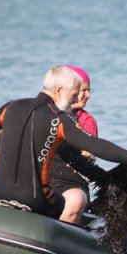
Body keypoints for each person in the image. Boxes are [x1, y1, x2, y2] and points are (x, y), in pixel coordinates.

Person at [0, 65, 127, 221]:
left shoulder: (12, 106)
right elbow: (94, 145)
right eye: (74, 94)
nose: (76, 100)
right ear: (59, 90)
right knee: (67, 203)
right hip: (34, 201)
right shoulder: (59, 119)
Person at [50, 65, 98, 223]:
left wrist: (88, 154)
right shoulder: (45, 113)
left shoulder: (87, 121)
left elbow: (89, 157)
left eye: (88, 90)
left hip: (72, 184)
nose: (88, 95)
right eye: (83, 90)